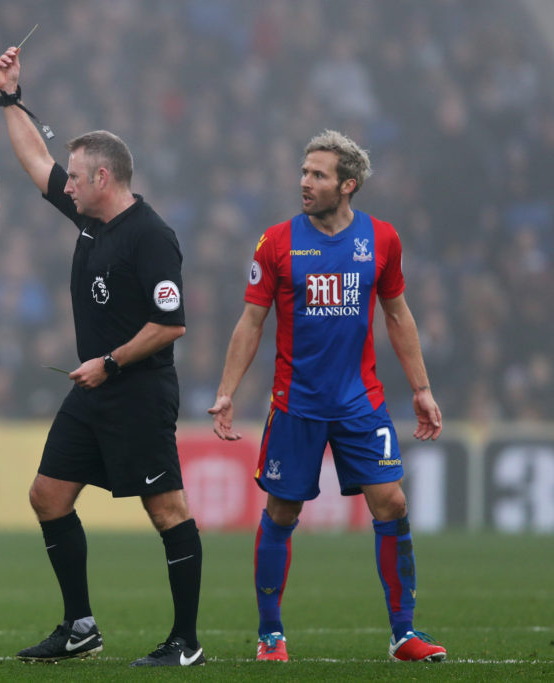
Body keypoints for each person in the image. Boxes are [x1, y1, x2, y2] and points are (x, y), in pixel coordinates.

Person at [0, 47, 204, 668]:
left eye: (77, 177)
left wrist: (110, 361)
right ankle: (80, 625)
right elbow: (37, 162)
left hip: (136, 390)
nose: (67, 184)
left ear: (103, 180)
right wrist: (9, 95)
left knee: (166, 509)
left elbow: (172, 324)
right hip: (94, 390)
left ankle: (185, 641)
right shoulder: (90, 220)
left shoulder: (151, 236)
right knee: (47, 496)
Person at [207, 130, 447, 663]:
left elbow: (398, 315)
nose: (304, 182)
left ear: (348, 184)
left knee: (393, 503)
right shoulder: (276, 242)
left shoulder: (381, 239)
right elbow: (251, 322)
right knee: (282, 512)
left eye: (317, 174)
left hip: (361, 401)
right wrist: (226, 393)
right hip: (297, 405)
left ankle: (403, 634)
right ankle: (271, 636)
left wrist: (422, 389)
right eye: (303, 172)